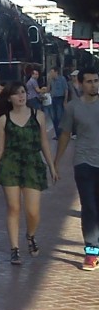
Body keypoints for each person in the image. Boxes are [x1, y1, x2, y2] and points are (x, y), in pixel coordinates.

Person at [0, 83, 58, 264]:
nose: (21, 96)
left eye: (23, 93)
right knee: (13, 208)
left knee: (33, 211)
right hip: (10, 164)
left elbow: (44, 143)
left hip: (33, 164)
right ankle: (14, 249)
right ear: (9, 98)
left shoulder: (38, 116)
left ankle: (30, 235)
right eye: (17, 94)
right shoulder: (4, 119)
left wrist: (52, 166)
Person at [54, 69, 99, 270]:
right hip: (84, 163)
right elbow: (64, 135)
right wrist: (56, 162)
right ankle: (92, 251)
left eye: (96, 81)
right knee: (89, 207)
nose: (94, 85)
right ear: (80, 84)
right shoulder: (73, 108)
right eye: (89, 81)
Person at [47, 66, 68, 138]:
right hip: (54, 99)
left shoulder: (62, 79)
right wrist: (49, 82)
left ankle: (62, 133)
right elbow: (48, 90)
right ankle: (57, 134)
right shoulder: (51, 80)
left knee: (59, 117)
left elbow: (66, 90)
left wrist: (65, 100)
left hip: (60, 99)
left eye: (52, 72)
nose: (51, 74)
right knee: (54, 117)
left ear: (56, 72)